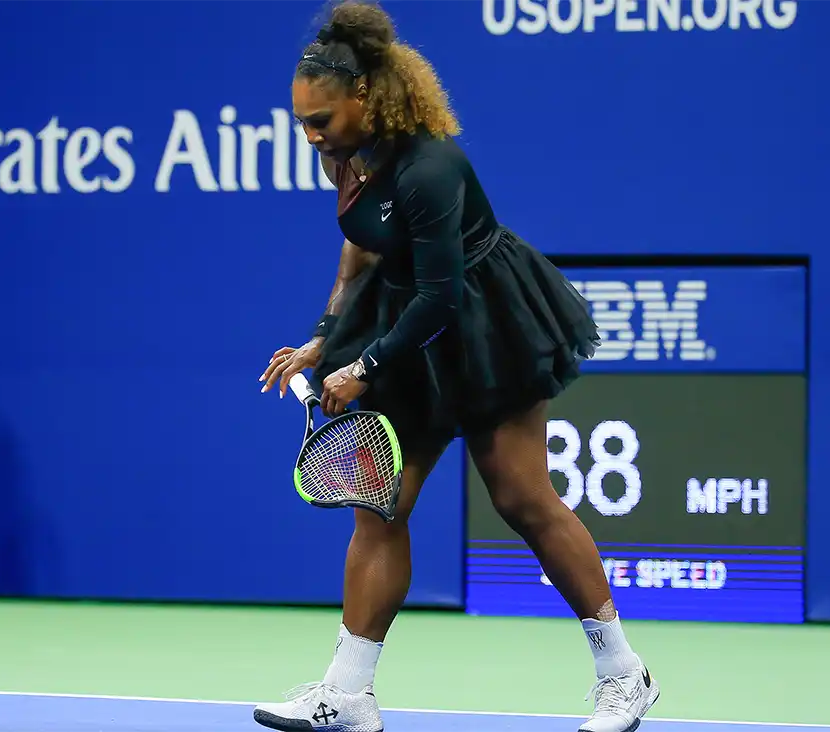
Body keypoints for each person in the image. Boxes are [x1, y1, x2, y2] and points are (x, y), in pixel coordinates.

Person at [256, 3, 659, 731]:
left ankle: (624, 674)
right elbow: (360, 257)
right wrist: (324, 338)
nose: (311, 135)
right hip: (402, 319)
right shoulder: (342, 153)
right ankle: (348, 694)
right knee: (381, 507)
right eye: (303, 123)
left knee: (521, 499)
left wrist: (365, 365)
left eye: (321, 121)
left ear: (366, 99)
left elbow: (443, 297)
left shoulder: (431, 168)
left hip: (480, 320)